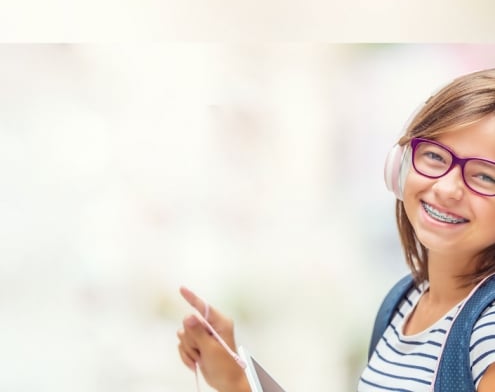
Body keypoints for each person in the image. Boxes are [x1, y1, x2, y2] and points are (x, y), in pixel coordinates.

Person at [177, 68, 495, 391]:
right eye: (434, 156)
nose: (447, 188)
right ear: (399, 165)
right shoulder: (401, 304)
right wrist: (235, 380)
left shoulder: (488, 329)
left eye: (485, 176)